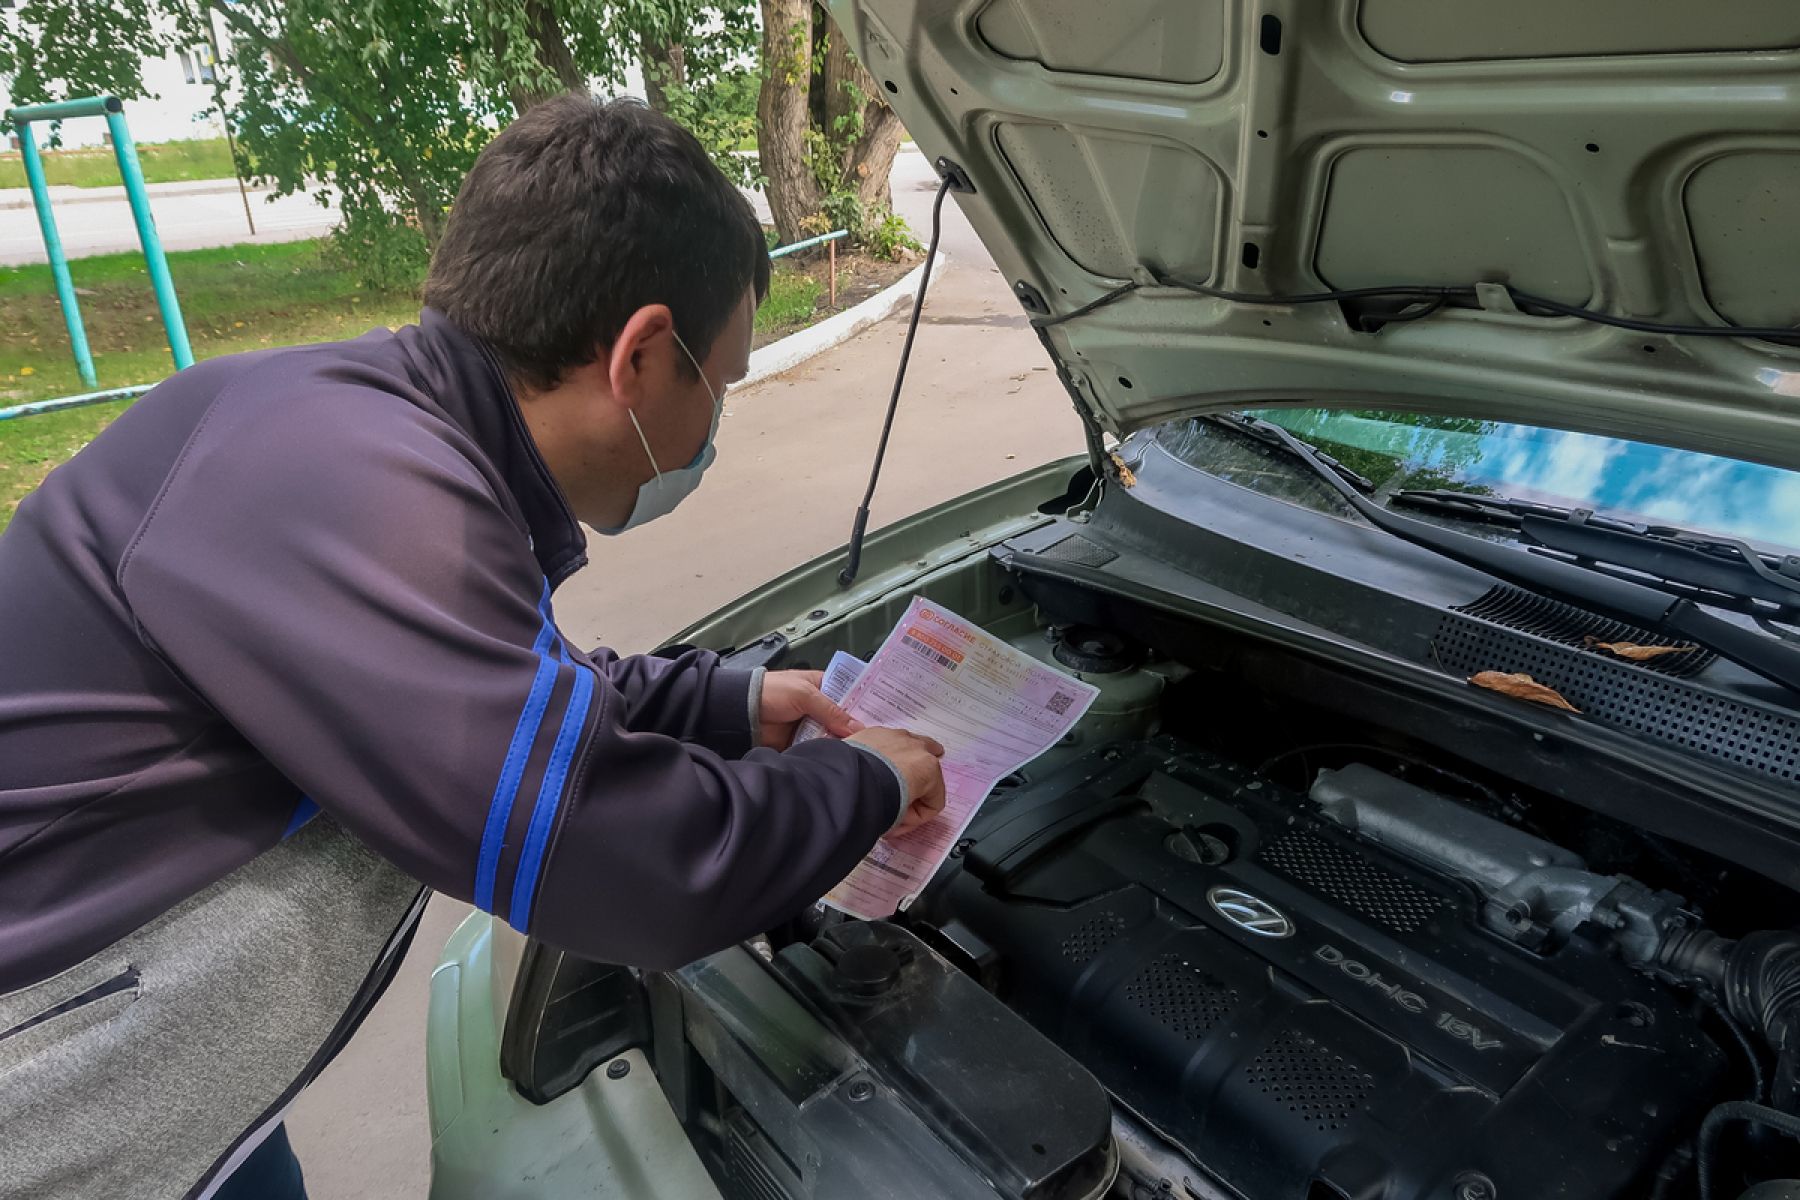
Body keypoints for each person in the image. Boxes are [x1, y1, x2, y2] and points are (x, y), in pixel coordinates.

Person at [0, 96, 947, 1199]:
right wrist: (865, 782)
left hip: (175, 1087)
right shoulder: (356, 496)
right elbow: (625, 861)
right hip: (55, 1110)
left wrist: (727, 704)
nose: (713, 431)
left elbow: (506, 699)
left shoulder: (371, 435)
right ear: (641, 356)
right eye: (720, 384)